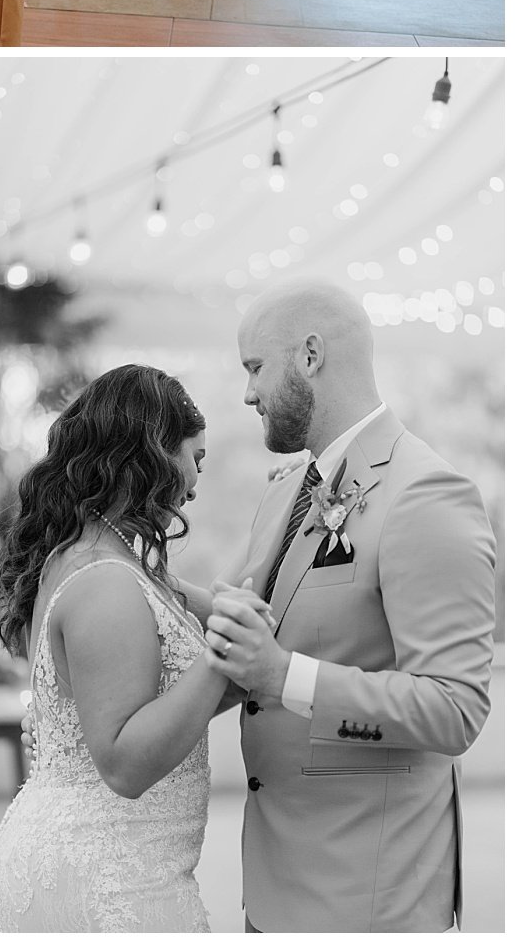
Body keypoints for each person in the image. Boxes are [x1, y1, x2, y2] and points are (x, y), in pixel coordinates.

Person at [204, 279, 495, 932]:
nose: (247, 393)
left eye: (255, 368)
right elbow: (243, 611)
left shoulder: (428, 495)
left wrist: (284, 676)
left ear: (309, 355)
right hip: (271, 885)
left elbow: (455, 709)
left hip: (369, 898)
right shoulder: (286, 492)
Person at [0, 364, 270, 933]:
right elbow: (123, 761)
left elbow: (170, 691)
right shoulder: (105, 581)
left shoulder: (112, 557)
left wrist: (243, 665)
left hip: (103, 852)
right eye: (196, 458)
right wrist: (220, 655)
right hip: (110, 870)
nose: (195, 482)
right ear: (151, 454)